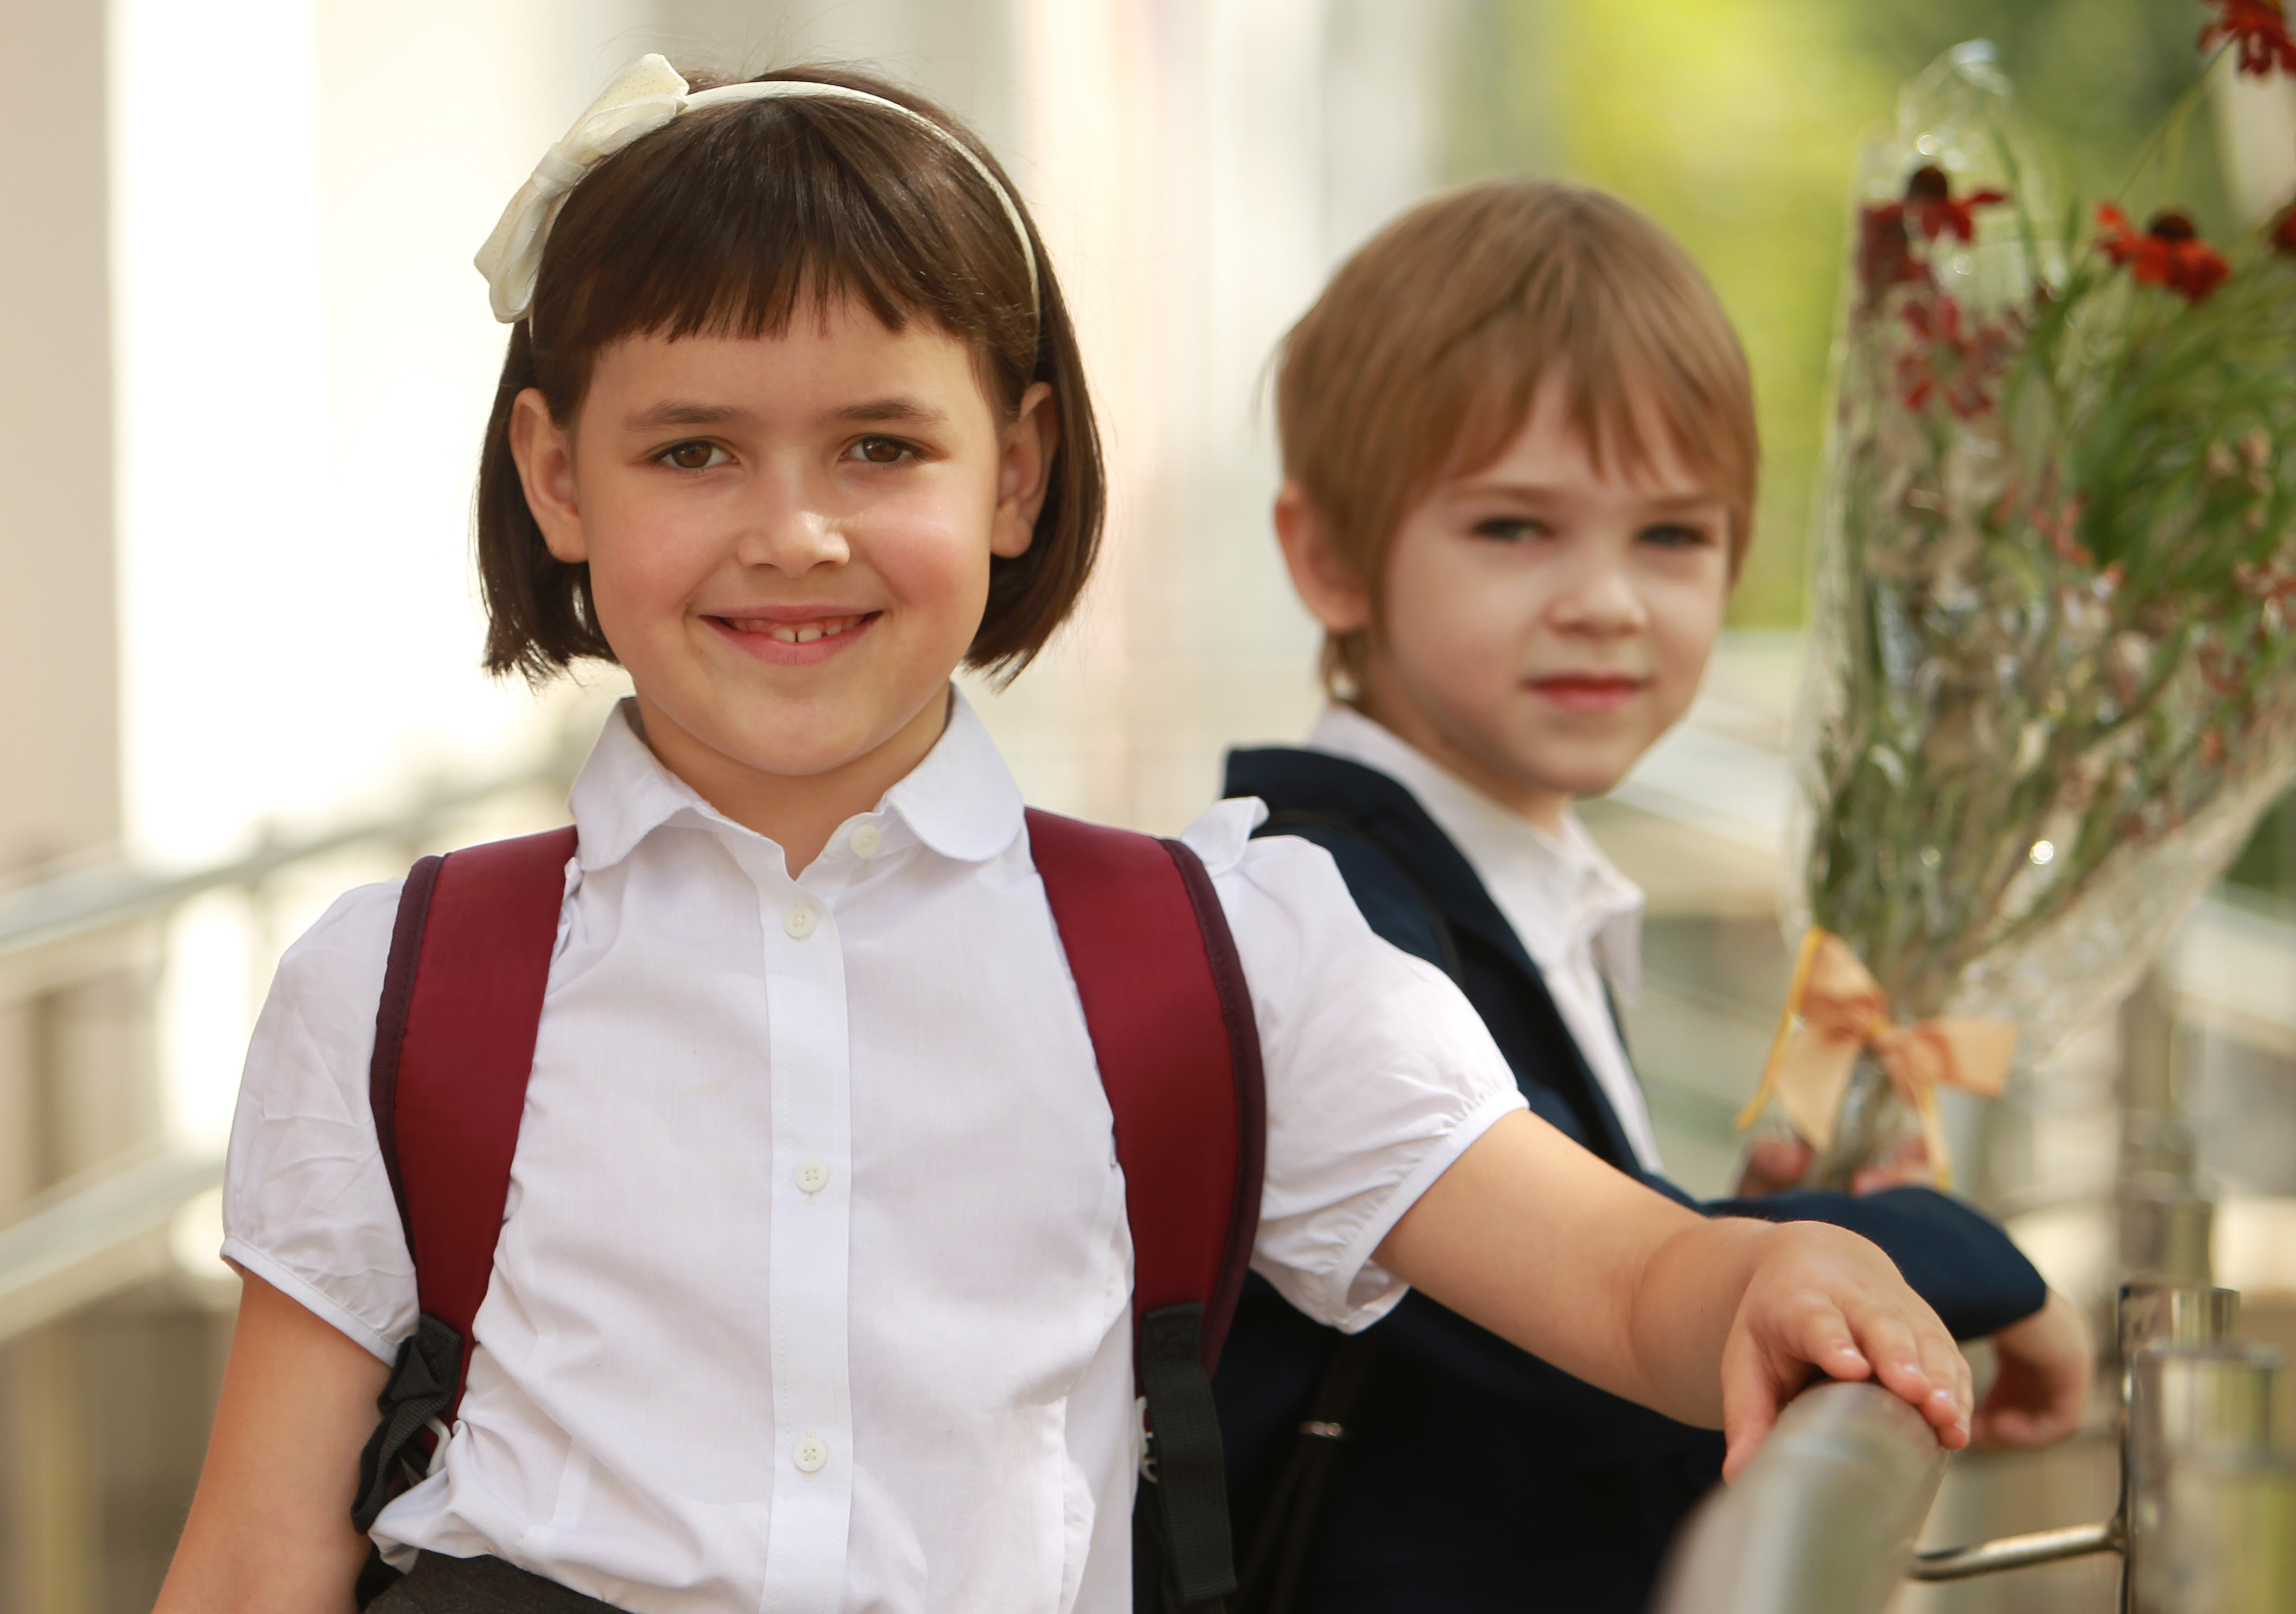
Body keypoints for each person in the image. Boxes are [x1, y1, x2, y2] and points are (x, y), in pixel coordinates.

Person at [155, 64, 1982, 1614]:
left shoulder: (1226, 953)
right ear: (558, 475)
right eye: (693, 452)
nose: (793, 533)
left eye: (881, 448)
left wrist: (1773, 1270)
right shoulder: (393, 988)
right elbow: (254, 1554)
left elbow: (1628, 1272)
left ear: (1017, 468)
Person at [1212, 178, 2095, 1614]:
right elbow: (1622, 1348)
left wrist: (1785, 1212)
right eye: (1514, 529)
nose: (1607, 601)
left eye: (1672, 537)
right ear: (1328, 557)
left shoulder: (1508, 887)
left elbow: (1619, 1249)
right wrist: (1975, 1260)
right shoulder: (1312, 917)